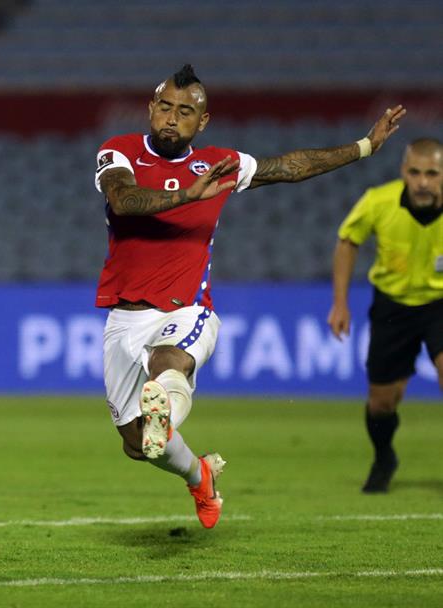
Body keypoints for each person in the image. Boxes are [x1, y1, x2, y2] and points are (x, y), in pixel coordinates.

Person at [94, 64, 404, 529]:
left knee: (167, 364)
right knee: (137, 446)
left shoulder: (219, 164)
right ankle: (200, 476)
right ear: (150, 109)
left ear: (203, 122)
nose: (172, 118)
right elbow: (123, 200)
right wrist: (189, 196)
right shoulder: (118, 152)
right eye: (164, 108)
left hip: (187, 309)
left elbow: (289, 167)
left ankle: (164, 404)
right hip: (125, 316)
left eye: (185, 111)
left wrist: (363, 147)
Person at [327, 138, 442, 494]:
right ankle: (384, 457)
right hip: (392, 306)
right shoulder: (379, 201)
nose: (423, 181)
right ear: (403, 172)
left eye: (432, 173)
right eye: (415, 172)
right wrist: (340, 303)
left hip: (440, 303)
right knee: (382, 402)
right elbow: (348, 241)